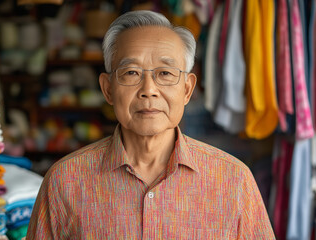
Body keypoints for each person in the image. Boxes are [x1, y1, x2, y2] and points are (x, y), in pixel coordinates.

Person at [26, 10, 275, 239]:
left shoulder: (233, 180)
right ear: (108, 89)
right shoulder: (64, 181)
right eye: (131, 73)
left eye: (165, 74)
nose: (148, 90)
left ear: (187, 89)